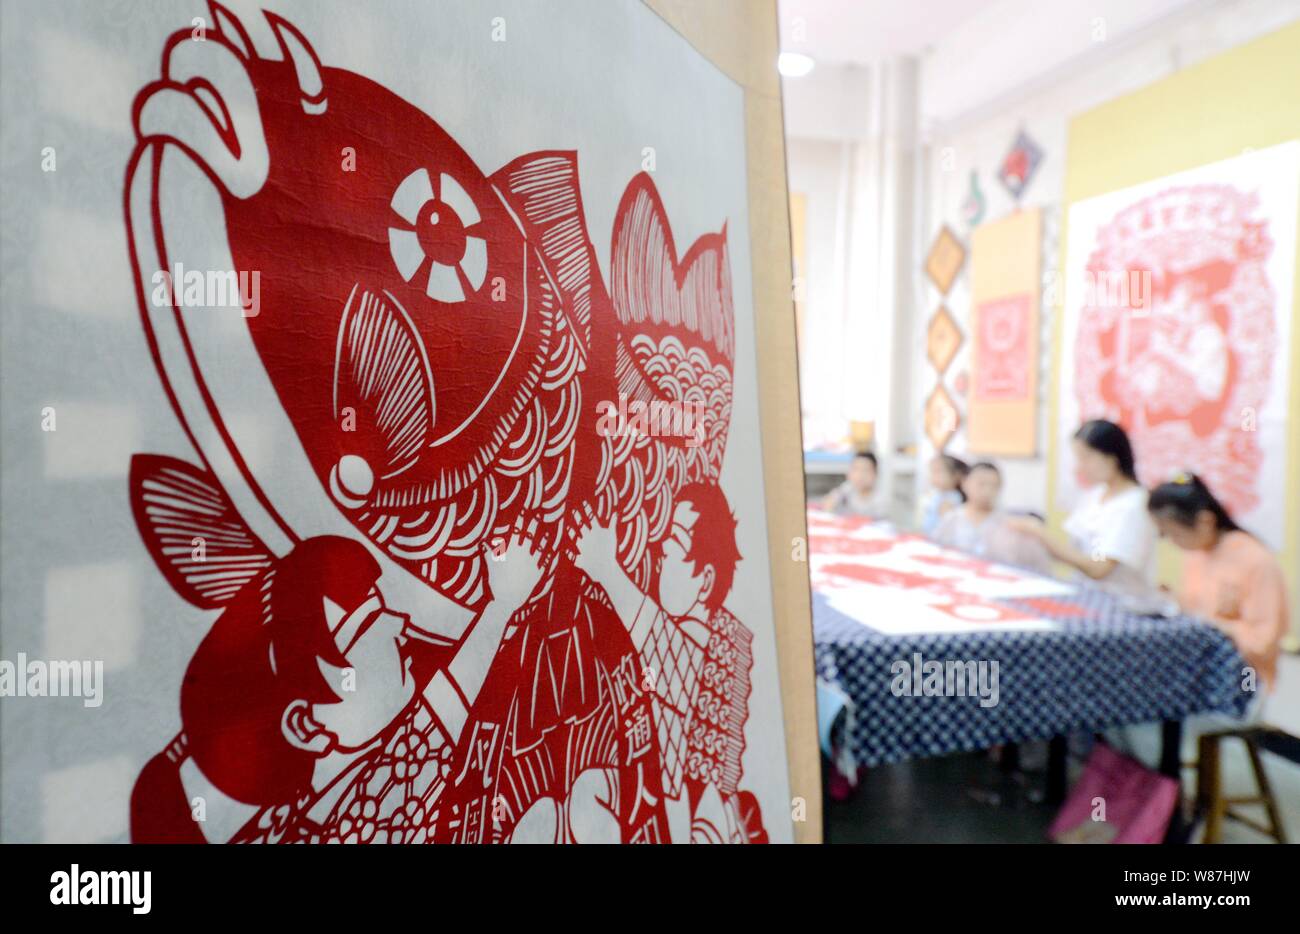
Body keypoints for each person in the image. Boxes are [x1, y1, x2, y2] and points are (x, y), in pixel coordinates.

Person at [1148, 472, 1289, 694]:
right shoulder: (1197, 553)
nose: (1174, 543)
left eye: (1175, 534)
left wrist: (1214, 623)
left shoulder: (1255, 560)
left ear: (1206, 521)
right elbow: (1197, 607)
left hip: (1246, 676)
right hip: (1201, 668)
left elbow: (1262, 644)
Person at [1008, 419, 1157, 600]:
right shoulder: (1096, 495)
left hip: (1121, 605)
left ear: (1111, 459)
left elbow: (1099, 567)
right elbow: (1073, 551)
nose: (1079, 467)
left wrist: (1040, 534)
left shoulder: (1133, 505)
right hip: (1086, 597)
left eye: (1086, 458)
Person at [932, 462, 1052, 574]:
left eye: (994, 486)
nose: (987, 491)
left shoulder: (1010, 524)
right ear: (965, 483)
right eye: (981, 484)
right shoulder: (952, 519)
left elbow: (1035, 568)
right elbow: (937, 555)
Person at [821, 450, 886, 519]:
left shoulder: (879, 500)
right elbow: (830, 500)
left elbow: (879, 523)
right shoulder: (848, 487)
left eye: (865, 470)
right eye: (856, 469)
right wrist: (830, 502)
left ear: (875, 474)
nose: (860, 475)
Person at [920, 454, 968, 535]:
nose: (933, 476)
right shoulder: (938, 494)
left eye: (938, 472)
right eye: (932, 472)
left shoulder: (951, 498)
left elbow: (946, 527)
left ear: (956, 476)